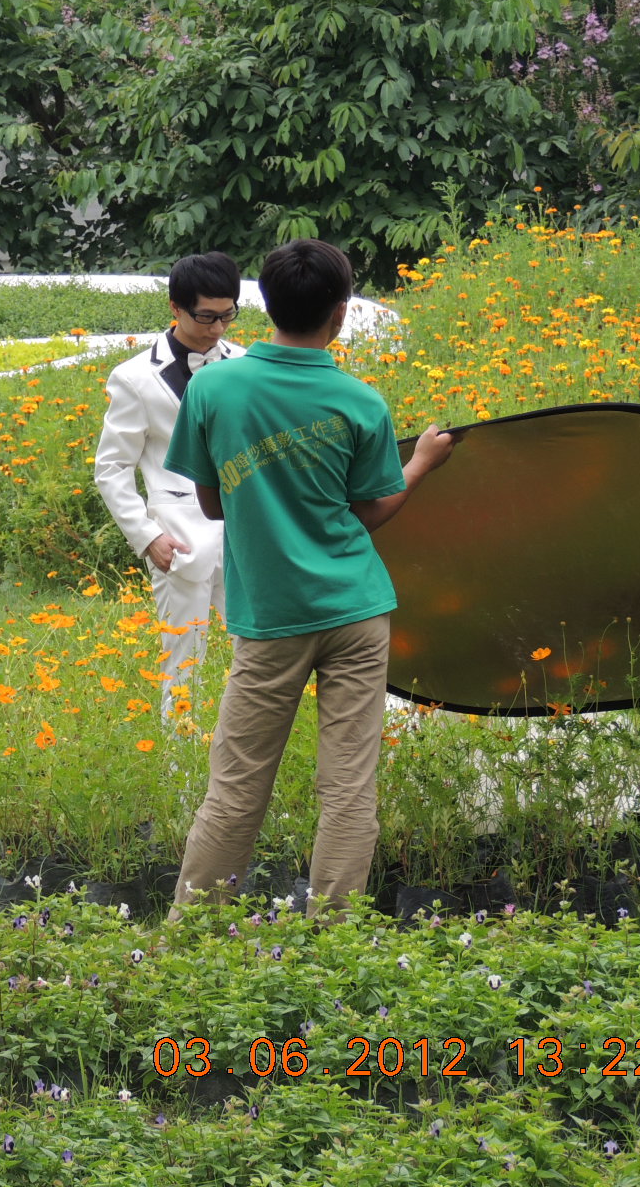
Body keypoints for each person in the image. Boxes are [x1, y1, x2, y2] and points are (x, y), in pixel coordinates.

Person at [164, 239, 456, 918]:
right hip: (356, 610)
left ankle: (193, 931)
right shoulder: (359, 400)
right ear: (342, 314)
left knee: (236, 785)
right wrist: (424, 465)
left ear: (262, 305)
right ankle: (333, 936)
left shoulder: (212, 387)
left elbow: (211, 504)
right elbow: (371, 510)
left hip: (271, 619)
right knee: (349, 785)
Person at [94, 252, 244, 727]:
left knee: (262, 664)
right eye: (206, 317)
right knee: (183, 670)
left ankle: (249, 791)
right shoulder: (134, 378)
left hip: (244, 537)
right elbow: (112, 467)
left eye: (228, 315)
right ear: (175, 307)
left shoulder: (246, 366)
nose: (218, 329)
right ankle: (182, 791)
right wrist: (146, 537)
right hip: (177, 541)